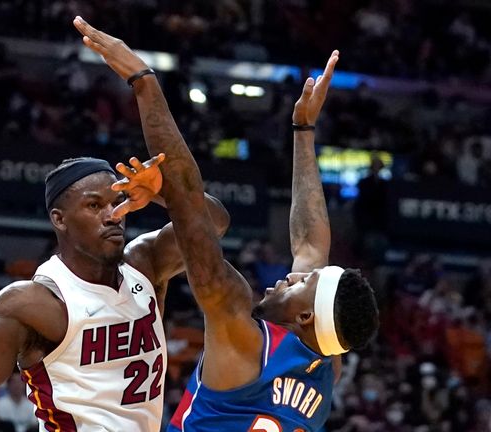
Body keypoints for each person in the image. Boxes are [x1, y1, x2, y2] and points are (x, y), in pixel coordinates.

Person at [71, 18, 379, 431]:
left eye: (301, 284)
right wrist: (303, 130)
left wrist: (144, 82)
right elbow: (309, 243)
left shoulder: (242, 332)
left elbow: (196, 227)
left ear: (305, 316)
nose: (288, 279)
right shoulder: (327, 362)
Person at [0, 142, 230, 430]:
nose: (111, 215)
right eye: (94, 205)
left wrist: (163, 190)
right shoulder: (36, 301)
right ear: (59, 219)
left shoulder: (145, 263)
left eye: (118, 202)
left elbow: (214, 223)